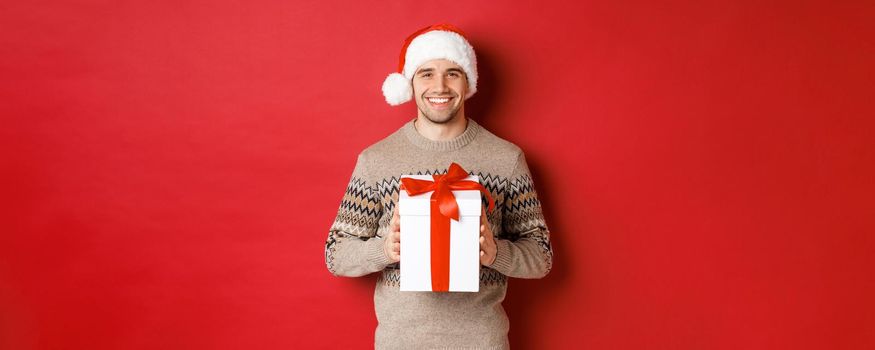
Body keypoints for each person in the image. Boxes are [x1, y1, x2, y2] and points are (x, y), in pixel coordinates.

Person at [324, 23, 553, 350]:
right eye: (427, 73)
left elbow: (541, 256)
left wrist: (496, 253)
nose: (440, 86)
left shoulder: (506, 159)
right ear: (411, 84)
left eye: (453, 73)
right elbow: (336, 254)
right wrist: (384, 248)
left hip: (481, 342)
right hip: (399, 343)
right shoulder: (377, 160)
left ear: (468, 82)